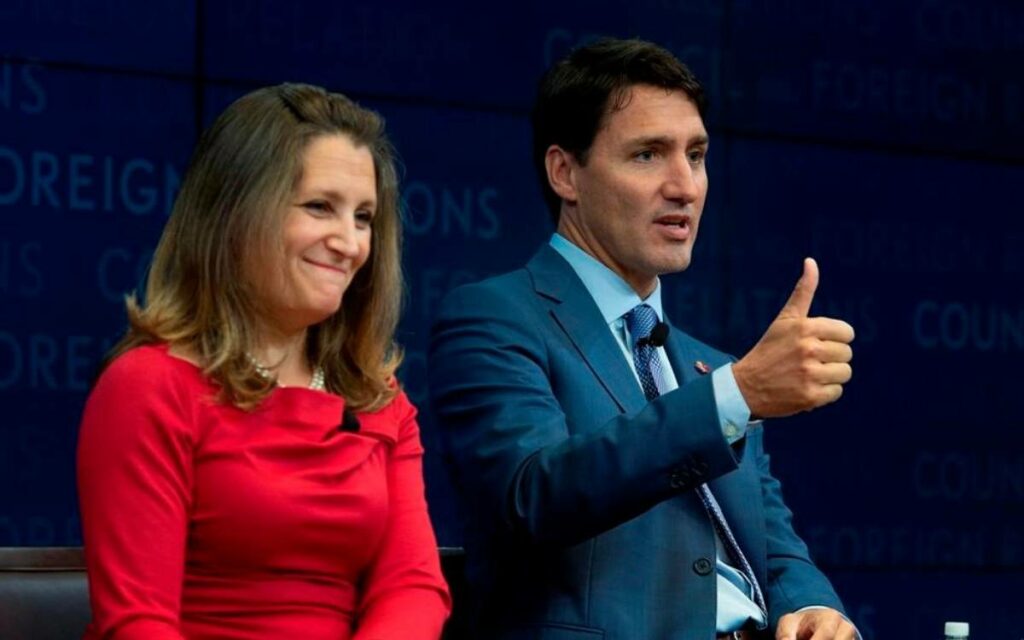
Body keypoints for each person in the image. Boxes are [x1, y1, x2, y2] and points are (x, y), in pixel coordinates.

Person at [428, 39, 858, 639]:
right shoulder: (493, 318)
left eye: (698, 154)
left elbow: (768, 545)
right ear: (565, 172)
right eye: (648, 155)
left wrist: (814, 606)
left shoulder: (711, 367)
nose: (685, 185)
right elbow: (534, 496)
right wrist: (737, 396)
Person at [78, 83, 451, 640]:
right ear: (234, 213)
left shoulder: (380, 400)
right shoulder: (148, 386)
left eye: (364, 217)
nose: (349, 242)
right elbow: (138, 624)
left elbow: (413, 586)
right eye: (320, 207)